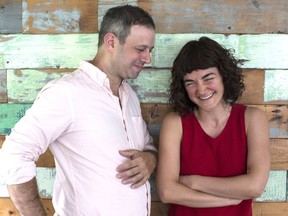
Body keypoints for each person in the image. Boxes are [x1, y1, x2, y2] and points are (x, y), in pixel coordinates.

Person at [0, 5, 157, 216]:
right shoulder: (66, 93)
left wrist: (150, 158)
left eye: (150, 50)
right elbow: (15, 154)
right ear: (111, 42)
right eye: (140, 49)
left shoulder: (129, 96)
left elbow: (146, 145)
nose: (147, 58)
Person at [156, 37, 270, 216]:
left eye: (208, 78)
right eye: (190, 83)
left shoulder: (252, 119)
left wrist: (194, 182)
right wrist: (229, 199)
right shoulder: (175, 123)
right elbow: (167, 192)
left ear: (224, 75)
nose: (201, 90)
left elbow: (255, 186)